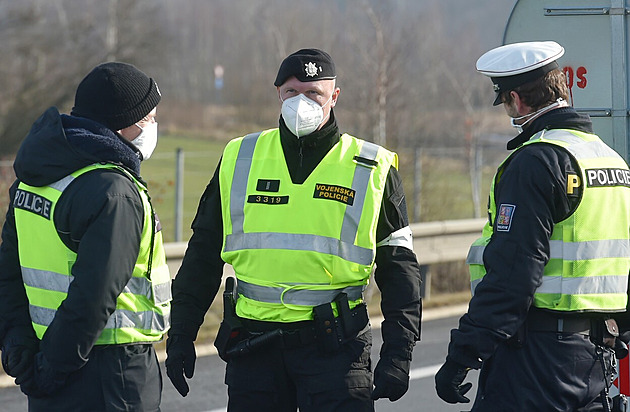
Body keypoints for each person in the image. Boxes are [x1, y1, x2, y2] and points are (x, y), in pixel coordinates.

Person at [165, 48, 422, 411]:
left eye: (314, 93)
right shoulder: (240, 156)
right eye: (292, 92)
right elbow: (203, 254)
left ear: (334, 97)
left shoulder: (371, 167)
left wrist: (400, 352)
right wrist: (181, 333)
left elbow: (400, 270)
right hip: (254, 349)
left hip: (336, 352)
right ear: (278, 94)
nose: (302, 102)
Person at [434, 40, 630, 411]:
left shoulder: (536, 162)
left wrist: (464, 355)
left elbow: (513, 276)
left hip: (537, 362)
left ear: (516, 101)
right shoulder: (611, 160)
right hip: (597, 359)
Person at [0, 62, 171, 411]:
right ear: (124, 124)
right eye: (149, 117)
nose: (153, 125)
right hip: (110, 374)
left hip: (45, 362)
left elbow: (9, 273)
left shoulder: (37, 176)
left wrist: (18, 346)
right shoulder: (113, 191)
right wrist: (51, 369)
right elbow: (92, 298)